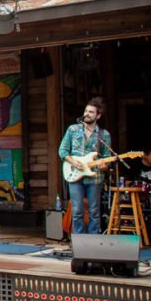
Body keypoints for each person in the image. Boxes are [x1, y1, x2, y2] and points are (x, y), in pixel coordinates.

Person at [58, 98, 111, 235]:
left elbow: (106, 156)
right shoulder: (73, 129)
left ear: (98, 115)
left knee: (94, 210)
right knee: (77, 210)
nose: (87, 114)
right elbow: (62, 151)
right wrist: (73, 162)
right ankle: (79, 241)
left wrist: (105, 165)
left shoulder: (103, 135)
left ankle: (92, 241)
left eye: (91, 112)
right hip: (75, 175)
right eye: (86, 111)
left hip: (95, 177)